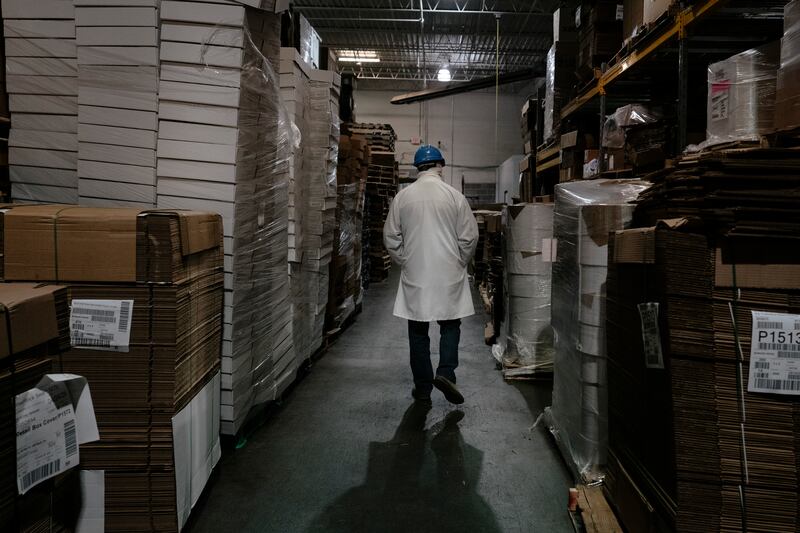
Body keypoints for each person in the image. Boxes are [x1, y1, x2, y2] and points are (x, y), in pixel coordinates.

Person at [383, 145, 479, 405]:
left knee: (417, 330)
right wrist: (460, 261)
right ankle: (446, 372)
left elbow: (391, 237)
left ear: (418, 168)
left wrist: (405, 260)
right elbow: (469, 237)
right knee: (450, 325)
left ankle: (423, 388)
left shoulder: (403, 198)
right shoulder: (454, 196)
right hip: (449, 272)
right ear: (440, 166)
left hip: (416, 272)